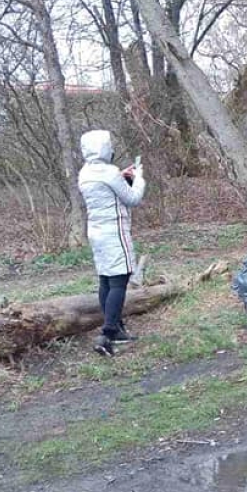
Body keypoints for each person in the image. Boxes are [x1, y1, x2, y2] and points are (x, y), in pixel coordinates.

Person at [78, 130, 146, 357]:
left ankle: (116, 329)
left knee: (106, 279)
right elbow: (132, 198)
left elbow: (109, 189)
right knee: (119, 280)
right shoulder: (109, 172)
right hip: (114, 231)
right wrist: (139, 179)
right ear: (104, 149)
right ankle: (107, 333)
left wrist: (122, 176)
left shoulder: (85, 172)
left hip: (96, 231)